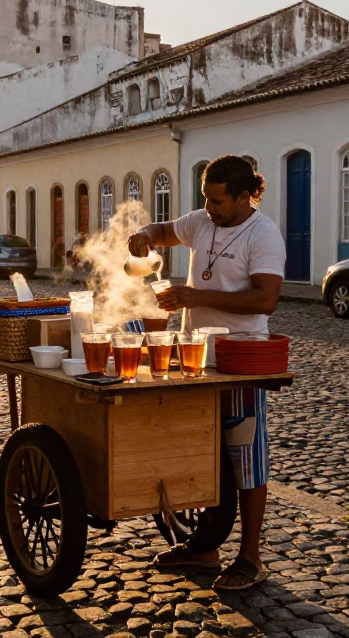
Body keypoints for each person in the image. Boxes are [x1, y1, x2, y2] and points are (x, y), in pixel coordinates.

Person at [127, 155, 285, 591]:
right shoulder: (201, 221)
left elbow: (264, 300)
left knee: (245, 459)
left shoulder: (263, 234)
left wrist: (195, 296)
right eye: (206, 200)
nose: (210, 208)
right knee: (198, 451)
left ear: (242, 196)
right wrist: (143, 236)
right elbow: (163, 232)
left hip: (240, 360)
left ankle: (250, 558)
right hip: (196, 357)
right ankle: (203, 548)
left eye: (217, 201)